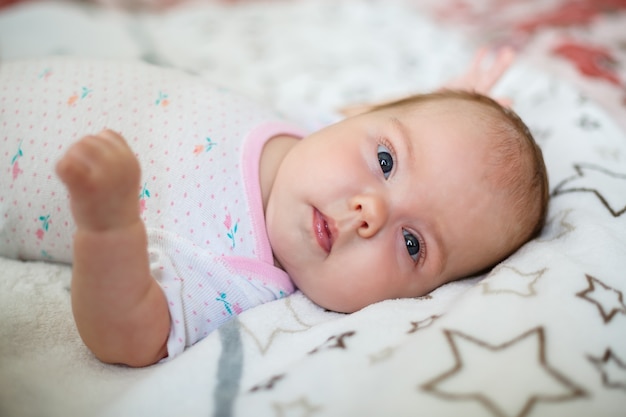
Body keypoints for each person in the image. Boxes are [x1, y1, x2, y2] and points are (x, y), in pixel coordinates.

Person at [0, 48, 548, 367]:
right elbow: (382, 116)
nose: (369, 212)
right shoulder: (307, 128)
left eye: (412, 243)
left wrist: (109, 225)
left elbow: (127, 338)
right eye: (385, 161)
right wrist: (457, 99)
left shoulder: (236, 277)